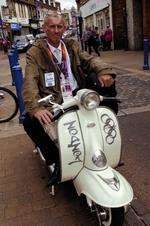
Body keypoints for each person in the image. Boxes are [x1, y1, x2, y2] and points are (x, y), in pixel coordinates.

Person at [23, 11, 117, 185]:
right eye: (52, 27)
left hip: (77, 94)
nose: (56, 30)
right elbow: (30, 81)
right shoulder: (35, 52)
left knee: (106, 83)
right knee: (28, 121)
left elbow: (89, 59)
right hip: (55, 100)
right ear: (45, 28)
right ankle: (56, 161)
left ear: (64, 29)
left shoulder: (71, 45)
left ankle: (107, 126)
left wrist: (104, 71)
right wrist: (36, 108)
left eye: (59, 27)